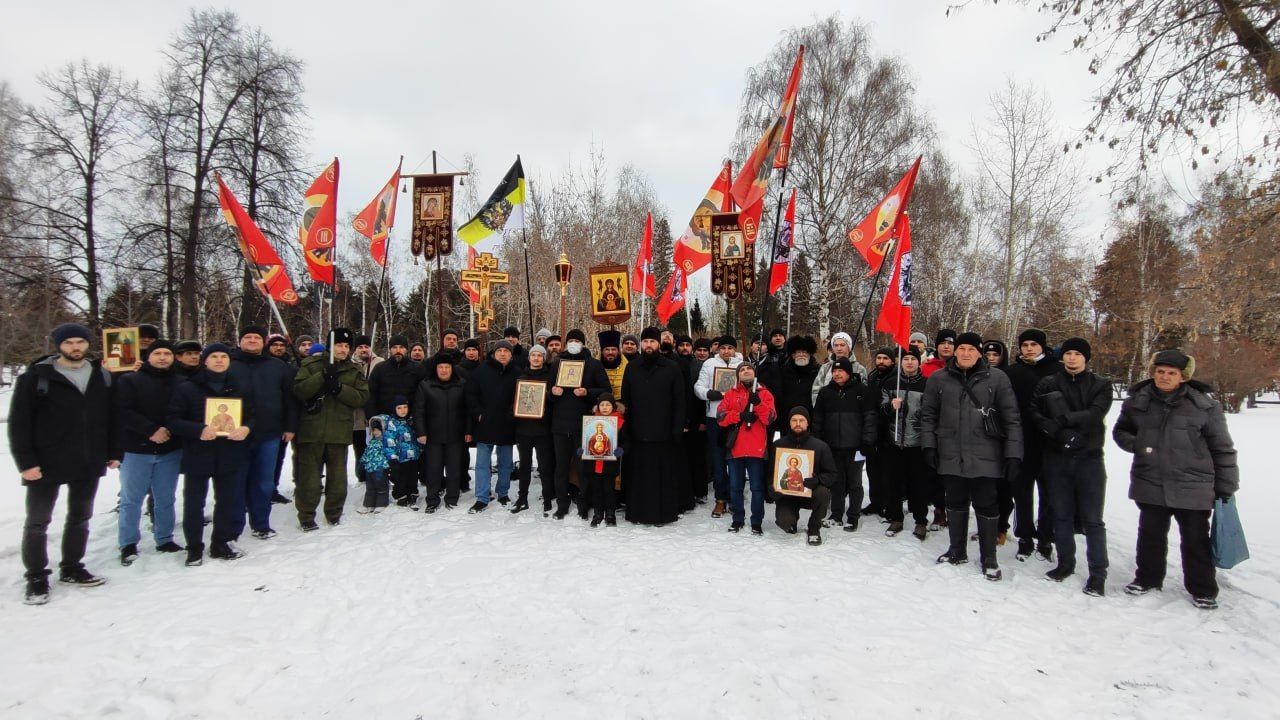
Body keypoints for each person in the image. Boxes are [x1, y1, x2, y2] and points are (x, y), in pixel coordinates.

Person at [1113, 349, 1238, 610]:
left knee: (1195, 539)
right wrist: (1138, 445)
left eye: (1172, 373)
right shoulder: (1139, 401)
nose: (1165, 377)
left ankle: (1203, 588)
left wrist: (1226, 485)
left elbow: (1222, 448)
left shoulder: (1204, 405)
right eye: (1160, 372)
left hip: (1193, 484)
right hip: (1151, 479)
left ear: (1183, 377)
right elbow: (1120, 431)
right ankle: (1147, 579)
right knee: (1150, 535)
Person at [10, 323, 120, 604]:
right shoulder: (37, 378)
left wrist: (112, 451)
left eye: (80, 342)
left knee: (80, 517)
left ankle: (72, 566)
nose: (75, 348)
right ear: (58, 345)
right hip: (46, 462)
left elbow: (111, 417)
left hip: (87, 459)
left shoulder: (101, 375)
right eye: (69, 342)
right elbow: (19, 424)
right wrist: (26, 463)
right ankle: (36, 577)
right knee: (38, 521)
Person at [921, 332, 1022, 581]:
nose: (966, 353)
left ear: (979, 353)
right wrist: (929, 446)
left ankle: (989, 557)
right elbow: (928, 416)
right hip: (950, 452)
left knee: (986, 504)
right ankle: (957, 550)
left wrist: (1013, 455)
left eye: (971, 349)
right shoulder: (938, 379)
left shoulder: (997, 379)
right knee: (954, 501)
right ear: (955, 351)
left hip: (986, 454)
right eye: (962, 348)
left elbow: (1012, 418)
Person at [1030, 338, 1112, 596]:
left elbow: (1096, 412)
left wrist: (1063, 421)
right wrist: (1057, 432)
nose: (1072, 358)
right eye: (1068, 354)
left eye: (1077, 354)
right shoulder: (1048, 383)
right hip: (1056, 456)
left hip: (1089, 457)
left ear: (1086, 358)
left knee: (1092, 520)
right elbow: (1035, 411)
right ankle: (1065, 563)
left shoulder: (1101, 384)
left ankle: (1098, 573)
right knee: (1061, 514)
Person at [167, 342, 253, 566]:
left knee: (226, 501)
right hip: (198, 452)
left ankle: (220, 543)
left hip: (229, 452)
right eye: (213, 356)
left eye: (223, 357)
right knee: (194, 503)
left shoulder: (238, 387)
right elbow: (173, 419)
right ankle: (194, 548)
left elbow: (253, 415)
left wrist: (246, 428)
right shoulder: (188, 388)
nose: (219, 360)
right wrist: (198, 430)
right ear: (205, 360)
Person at [115, 339, 185, 565]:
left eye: (167, 353)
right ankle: (128, 543)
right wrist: (150, 430)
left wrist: (171, 430)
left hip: (170, 449)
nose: (163, 357)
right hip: (137, 449)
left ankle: (164, 538)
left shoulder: (182, 382)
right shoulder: (130, 380)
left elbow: (186, 411)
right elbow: (122, 411)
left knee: (165, 497)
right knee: (131, 499)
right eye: (158, 354)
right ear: (148, 357)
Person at [291, 328, 370, 530]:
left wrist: (339, 388)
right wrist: (323, 376)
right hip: (312, 430)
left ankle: (334, 513)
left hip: (339, 431)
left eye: (346, 346)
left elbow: (362, 397)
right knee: (309, 478)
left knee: (337, 479)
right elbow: (300, 390)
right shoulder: (311, 364)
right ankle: (307, 516)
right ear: (330, 346)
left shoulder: (353, 370)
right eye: (339, 345)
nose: (343, 349)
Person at [229, 325, 299, 540]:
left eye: (256, 338)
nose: (252, 340)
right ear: (240, 341)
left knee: (263, 482)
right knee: (236, 481)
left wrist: (290, 426)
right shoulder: (229, 365)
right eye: (247, 337)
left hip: (269, 433)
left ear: (263, 342)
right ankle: (233, 526)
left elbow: (290, 398)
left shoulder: (277, 367)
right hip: (235, 434)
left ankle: (261, 524)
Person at [1004, 328, 1063, 562]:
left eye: (1033, 344)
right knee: (1022, 492)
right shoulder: (1012, 372)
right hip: (1022, 439)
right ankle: (1025, 537)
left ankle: (1046, 537)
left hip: (1050, 442)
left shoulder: (1057, 371)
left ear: (1042, 346)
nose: (1029, 348)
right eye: (1025, 344)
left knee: (1048, 493)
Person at [620, 327, 687, 525]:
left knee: (662, 477)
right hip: (638, 432)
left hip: (663, 432)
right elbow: (626, 400)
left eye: (652, 342)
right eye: (646, 342)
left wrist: (677, 429)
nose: (649, 345)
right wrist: (627, 429)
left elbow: (679, 401)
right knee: (639, 476)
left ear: (659, 343)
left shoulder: (671, 367)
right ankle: (638, 514)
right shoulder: (632, 367)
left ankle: (663, 514)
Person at [547, 329, 611, 517]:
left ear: (583, 343)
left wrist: (587, 392)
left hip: (584, 426)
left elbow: (605, 390)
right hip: (560, 425)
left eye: (577, 340)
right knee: (561, 467)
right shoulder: (557, 363)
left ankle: (584, 502)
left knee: (584, 467)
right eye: (571, 340)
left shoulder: (593, 364)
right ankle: (562, 503)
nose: (574, 343)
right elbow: (547, 394)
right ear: (566, 343)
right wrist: (553, 393)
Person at [812, 358, 879, 531]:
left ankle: (853, 516)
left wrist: (867, 441)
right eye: (834, 371)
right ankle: (836, 514)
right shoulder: (825, 393)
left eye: (841, 371)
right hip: (832, 447)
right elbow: (818, 420)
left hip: (855, 447)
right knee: (837, 482)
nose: (837, 374)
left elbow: (870, 418)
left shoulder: (862, 391)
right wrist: (818, 441)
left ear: (849, 372)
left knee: (855, 483)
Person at [716, 362, 777, 534]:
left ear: (754, 373)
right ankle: (738, 519)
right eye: (741, 370)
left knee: (757, 487)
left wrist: (758, 404)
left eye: (748, 368)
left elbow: (770, 418)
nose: (745, 371)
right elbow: (720, 417)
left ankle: (756, 521)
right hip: (735, 448)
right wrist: (739, 415)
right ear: (738, 375)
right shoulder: (730, 394)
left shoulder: (764, 394)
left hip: (757, 448)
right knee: (735, 486)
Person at [881, 347, 934, 540]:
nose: (909, 362)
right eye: (905, 359)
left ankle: (921, 521)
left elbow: (932, 411)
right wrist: (890, 406)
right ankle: (896, 518)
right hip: (895, 442)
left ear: (919, 361)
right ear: (900, 362)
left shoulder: (927, 384)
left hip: (917, 443)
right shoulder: (890, 383)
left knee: (918, 484)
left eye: (913, 358)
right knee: (894, 482)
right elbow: (881, 410)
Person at [464, 339, 520, 512]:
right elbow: (470, 395)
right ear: (494, 353)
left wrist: (513, 415)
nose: (503, 353)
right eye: (499, 350)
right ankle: (482, 497)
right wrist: (478, 414)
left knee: (505, 463)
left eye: (506, 351)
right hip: (485, 423)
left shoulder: (518, 373)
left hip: (507, 424)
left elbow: (522, 397)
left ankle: (503, 493)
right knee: (482, 463)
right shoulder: (481, 371)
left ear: (511, 354)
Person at [773, 407, 838, 546]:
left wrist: (818, 480)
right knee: (784, 522)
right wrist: (771, 489)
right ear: (789, 423)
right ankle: (791, 521)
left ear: (807, 423)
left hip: (810, 493)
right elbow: (769, 474)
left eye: (801, 420)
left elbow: (832, 474)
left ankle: (814, 529)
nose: (798, 423)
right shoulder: (778, 446)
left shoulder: (820, 446)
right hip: (787, 495)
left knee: (823, 493)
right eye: (794, 420)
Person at [414, 355, 471, 511]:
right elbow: (419, 411)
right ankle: (432, 499)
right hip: (433, 436)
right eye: (441, 367)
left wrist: (468, 430)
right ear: (436, 369)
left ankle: (452, 498)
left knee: (454, 469)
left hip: (456, 435)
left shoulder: (461, 384)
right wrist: (421, 432)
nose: (444, 370)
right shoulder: (425, 385)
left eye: (447, 367)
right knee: (433, 469)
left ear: (452, 369)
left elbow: (467, 410)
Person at [695, 335, 742, 518]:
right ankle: (720, 499)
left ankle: (735, 498)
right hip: (715, 417)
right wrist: (710, 393)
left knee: (736, 459)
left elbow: (751, 385)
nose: (726, 351)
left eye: (730, 347)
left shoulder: (741, 364)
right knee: (718, 459)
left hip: (736, 417)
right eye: (723, 348)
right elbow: (698, 387)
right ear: (718, 349)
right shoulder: (709, 364)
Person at [513, 344, 555, 513]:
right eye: (533, 355)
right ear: (528, 358)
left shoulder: (550, 376)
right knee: (524, 465)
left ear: (544, 358)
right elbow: (513, 399)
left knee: (544, 465)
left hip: (543, 429)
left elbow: (553, 402)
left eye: (539, 355)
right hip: (523, 428)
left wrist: (547, 407)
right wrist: (515, 413)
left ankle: (547, 497)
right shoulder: (520, 376)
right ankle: (522, 498)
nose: (536, 358)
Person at [862, 347, 898, 519]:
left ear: (892, 361)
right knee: (872, 469)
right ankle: (875, 502)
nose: (881, 361)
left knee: (888, 472)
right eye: (879, 358)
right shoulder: (872, 376)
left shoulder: (896, 378)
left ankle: (888, 504)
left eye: (885, 358)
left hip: (889, 430)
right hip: (873, 428)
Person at [579, 393, 624, 527]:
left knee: (609, 489)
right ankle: (598, 513)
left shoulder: (620, 422)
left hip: (610, 464)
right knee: (596, 489)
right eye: (602, 405)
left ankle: (610, 514)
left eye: (608, 405)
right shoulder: (591, 422)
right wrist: (582, 449)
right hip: (592, 463)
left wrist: (621, 449)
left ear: (613, 406)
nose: (605, 408)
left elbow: (627, 441)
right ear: (598, 407)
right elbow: (586, 440)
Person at [350, 334, 383, 483]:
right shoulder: (349, 364)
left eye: (366, 347)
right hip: (356, 416)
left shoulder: (379, 363)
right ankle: (362, 476)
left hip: (374, 413)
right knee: (359, 447)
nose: (364, 349)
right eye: (360, 347)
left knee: (377, 445)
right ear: (355, 349)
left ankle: (378, 475)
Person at [382, 396, 422, 507]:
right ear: (394, 409)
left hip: (413, 456)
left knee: (413, 476)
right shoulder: (392, 423)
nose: (403, 410)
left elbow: (417, 438)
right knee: (401, 478)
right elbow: (388, 441)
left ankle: (413, 493)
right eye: (399, 408)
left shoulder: (411, 421)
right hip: (400, 458)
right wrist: (392, 458)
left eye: (405, 407)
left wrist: (421, 450)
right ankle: (401, 495)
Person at [811, 331, 868, 405]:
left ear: (849, 347)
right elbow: (816, 391)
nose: (839, 348)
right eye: (836, 345)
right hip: (829, 412)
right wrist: (820, 409)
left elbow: (865, 393)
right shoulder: (825, 368)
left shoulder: (859, 369)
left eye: (842, 345)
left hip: (852, 412)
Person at [357, 416, 393, 514]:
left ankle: (382, 503)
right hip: (370, 468)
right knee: (370, 487)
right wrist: (363, 461)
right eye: (373, 430)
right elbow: (367, 452)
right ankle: (369, 504)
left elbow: (390, 453)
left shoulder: (385, 442)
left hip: (380, 468)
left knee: (381, 486)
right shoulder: (372, 442)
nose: (375, 432)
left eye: (377, 430)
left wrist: (389, 463)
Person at [599, 330, 628, 399]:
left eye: (613, 349)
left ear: (618, 351)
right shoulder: (594, 366)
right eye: (607, 349)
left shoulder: (628, 367)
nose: (610, 352)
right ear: (602, 351)